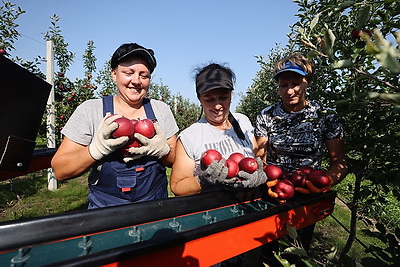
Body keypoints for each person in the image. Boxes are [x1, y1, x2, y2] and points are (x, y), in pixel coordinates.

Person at [51, 43, 179, 209]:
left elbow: (175, 161)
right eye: (128, 73)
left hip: (155, 207)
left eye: (144, 75)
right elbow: (60, 171)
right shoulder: (91, 110)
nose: (136, 81)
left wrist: (163, 151)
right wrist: (95, 150)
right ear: (114, 74)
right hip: (106, 211)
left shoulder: (160, 110)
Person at [255, 53, 348, 264]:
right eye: (283, 84)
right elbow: (260, 158)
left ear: (308, 82)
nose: (289, 90)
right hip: (274, 193)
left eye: (296, 83)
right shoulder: (266, 115)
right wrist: (267, 180)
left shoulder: (325, 115)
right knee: (269, 251)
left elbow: (340, 163)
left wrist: (326, 182)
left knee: (297, 251)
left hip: (308, 195)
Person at [170, 63, 267, 197]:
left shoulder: (242, 122)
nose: (217, 106)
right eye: (209, 99)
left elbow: (256, 157)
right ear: (199, 98)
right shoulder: (190, 137)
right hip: (214, 211)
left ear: (231, 95)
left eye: (223, 97)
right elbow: (177, 187)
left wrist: (259, 175)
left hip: (250, 206)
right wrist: (204, 180)